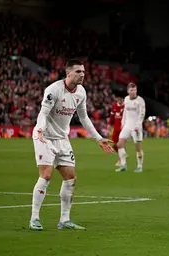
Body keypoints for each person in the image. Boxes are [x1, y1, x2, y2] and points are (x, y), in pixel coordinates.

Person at [30, 59, 114, 231]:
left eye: (83, 71)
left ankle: (65, 220)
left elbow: (84, 118)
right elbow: (43, 113)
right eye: (78, 72)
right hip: (44, 137)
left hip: (62, 139)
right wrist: (39, 129)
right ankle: (34, 218)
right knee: (46, 175)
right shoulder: (54, 90)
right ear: (68, 73)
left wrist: (98, 138)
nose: (82, 74)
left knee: (70, 179)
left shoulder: (81, 92)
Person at [115, 82, 146, 173]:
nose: (133, 92)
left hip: (136, 127)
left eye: (135, 90)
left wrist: (138, 125)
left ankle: (139, 166)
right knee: (119, 144)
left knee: (138, 148)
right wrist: (122, 123)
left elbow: (142, 114)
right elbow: (125, 112)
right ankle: (123, 165)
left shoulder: (140, 100)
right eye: (131, 90)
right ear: (128, 91)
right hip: (127, 126)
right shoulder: (126, 99)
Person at [107, 90, 125, 167]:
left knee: (120, 144)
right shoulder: (114, 105)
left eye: (120, 99)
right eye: (117, 99)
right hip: (116, 128)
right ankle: (123, 155)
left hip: (123, 128)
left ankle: (121, 160)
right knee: (113, 144)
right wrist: (109, 124)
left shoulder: (126, 106)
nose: (119, 101)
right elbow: (112, 116)